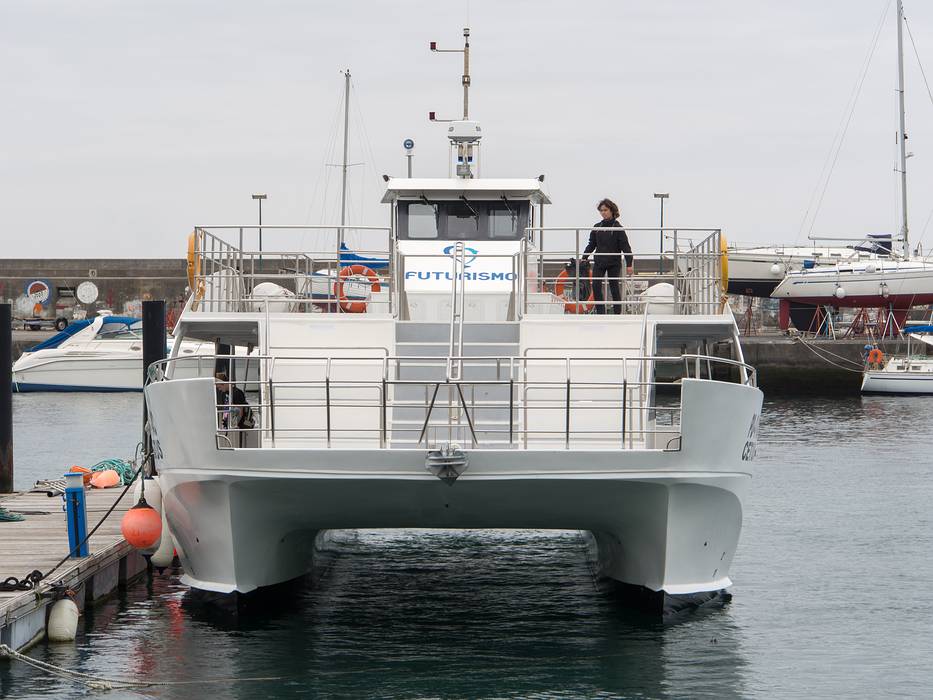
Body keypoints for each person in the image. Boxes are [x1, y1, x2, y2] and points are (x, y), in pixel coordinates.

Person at [581, 198, 634, 315]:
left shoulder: (618, 228)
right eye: (601, 210)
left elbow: (626, 247)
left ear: (611, 210)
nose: (603, 212)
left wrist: (629, 264)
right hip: (600, 261)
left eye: (605, 210)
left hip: (613, 262)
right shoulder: (597, 227)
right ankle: (600, 312)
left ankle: (617, 313)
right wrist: (584, 257)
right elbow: (591, 244)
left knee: (614, 287)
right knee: (595, 285)